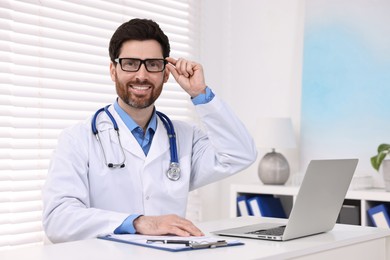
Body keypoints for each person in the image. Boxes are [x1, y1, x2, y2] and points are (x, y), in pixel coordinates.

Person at [42, 18, 257, 243]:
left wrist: (200, 93)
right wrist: (138, 222)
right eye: (130, 63)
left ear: (165, 74)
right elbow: (58, 219)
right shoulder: (78, 139)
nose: (142, 75)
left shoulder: (185, 137)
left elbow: (240, 154)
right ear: (113, 70)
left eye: (153, 64)